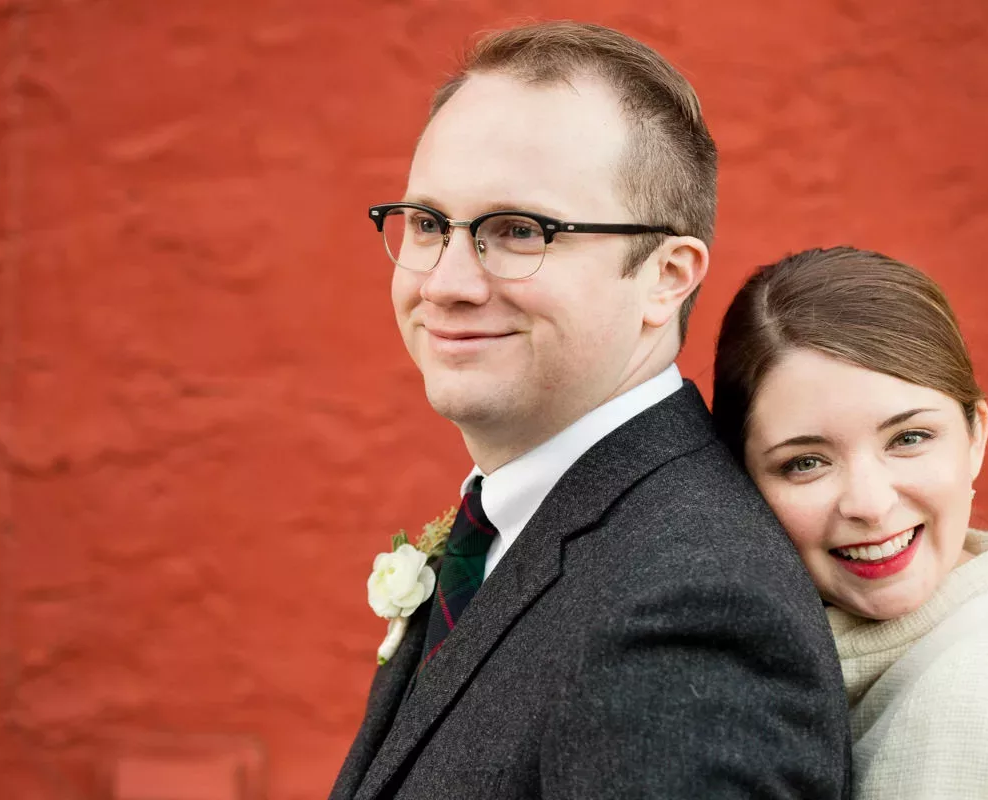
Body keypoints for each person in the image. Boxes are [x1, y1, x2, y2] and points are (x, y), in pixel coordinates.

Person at [329, 22, 851, 800]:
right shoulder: (528, 525)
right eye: (430, 224)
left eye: (518, 231)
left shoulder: (688, 617)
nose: (446, 282)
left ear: (666, 276)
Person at [712, 246, 988, 799]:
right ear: (741, 481)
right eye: (805, 463)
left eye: (908, 439)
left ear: (976, 435)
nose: (871, 504)